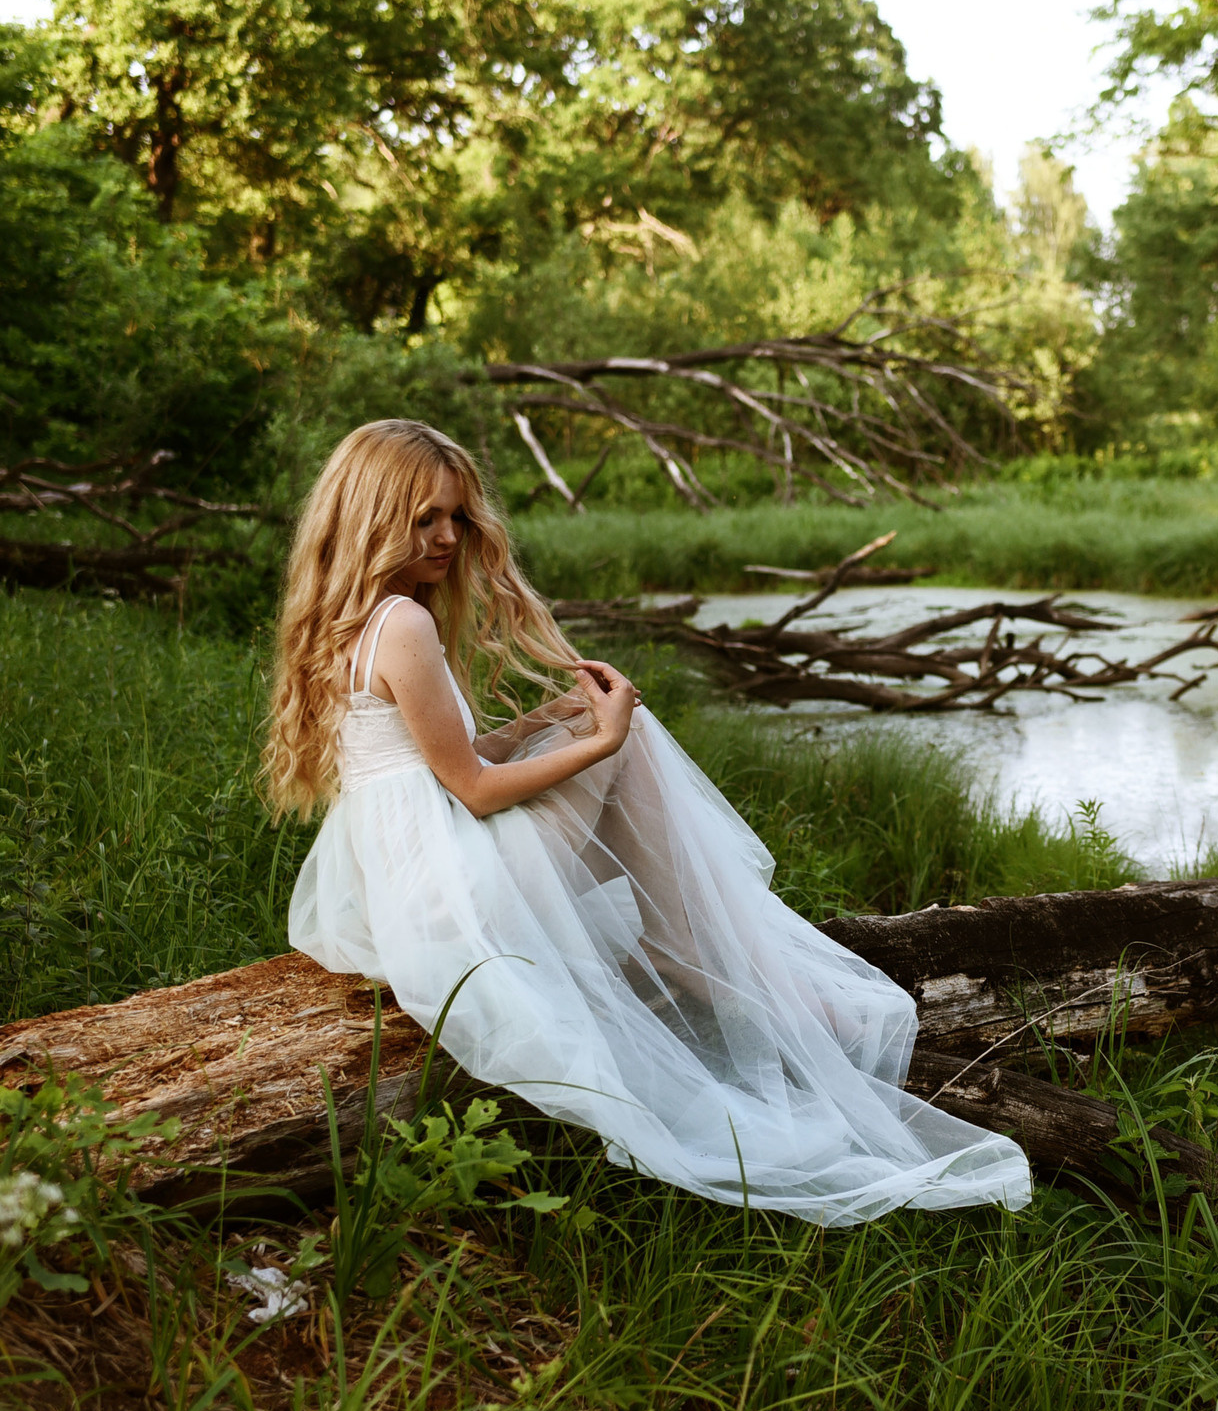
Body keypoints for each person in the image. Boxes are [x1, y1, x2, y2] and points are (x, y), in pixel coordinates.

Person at [263, 419, 1031, 1225]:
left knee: (591, 742)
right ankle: (697, 955)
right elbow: (476, 790)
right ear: (374, 516)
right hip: (459, 897)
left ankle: (692, 950)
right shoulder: (409, 625)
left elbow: (433, 764)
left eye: (457, 515)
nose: (450, 536)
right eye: (427, 517)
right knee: (625, 753)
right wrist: (602, 736)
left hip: (405, 893)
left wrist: (545, 721)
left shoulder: (358, 621)